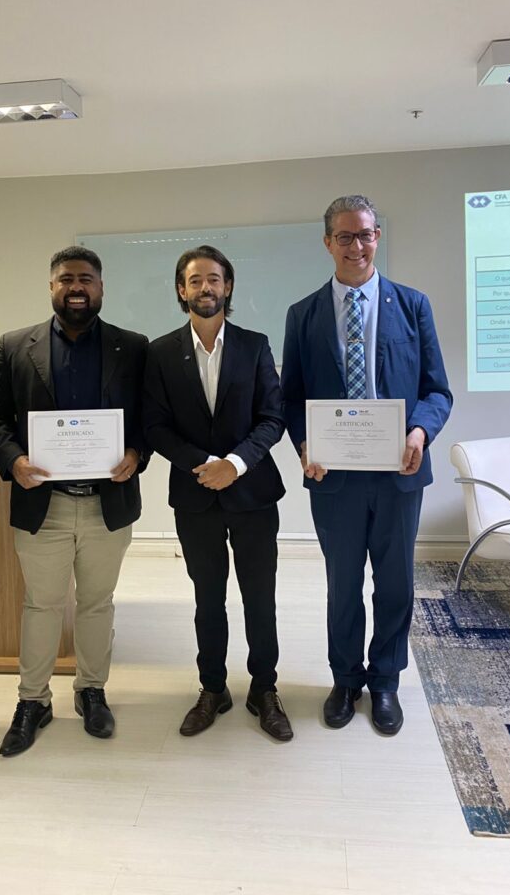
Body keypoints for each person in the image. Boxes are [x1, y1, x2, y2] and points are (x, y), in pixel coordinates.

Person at [281, 196, 452, 735]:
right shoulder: (303, 314)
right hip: (334, 479)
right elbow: (292, 397)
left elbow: (437, 390)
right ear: (327, 242)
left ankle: (385, 681)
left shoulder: (413, 305)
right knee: (343, 585)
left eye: (366, 235)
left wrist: (419, 431)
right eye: (345, 236)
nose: (357, 246)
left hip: (399, 474)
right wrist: (304, 443)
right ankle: (345, 679)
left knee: (396, 583)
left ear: (377, 236)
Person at [0, 246, 148, 753]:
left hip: (107, 503)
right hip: (43, 504)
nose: (77, 287)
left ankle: (91, 691)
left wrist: (137, 452)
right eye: (67, 279)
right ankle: (33, 700)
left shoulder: (132, 347)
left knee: (97, 603)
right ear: (52, 287)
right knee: (41, 604)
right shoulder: (15, 345)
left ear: (101, 287)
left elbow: (150, 415)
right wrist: (13, 460)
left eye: (86, 279)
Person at [143, 245, 293, 741]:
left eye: (214, 279)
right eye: (195, 280)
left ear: (227, 286)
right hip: (195, 497)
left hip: (253, 495)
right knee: (208, 600)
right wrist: (202, 465)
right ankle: (213, 689)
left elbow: (273, 417)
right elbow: (154, 425)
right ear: (181, 290)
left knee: (260, 599)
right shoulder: (160, 352)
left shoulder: (255, 345)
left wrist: (235, 464)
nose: (205, 287)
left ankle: (264, 689)